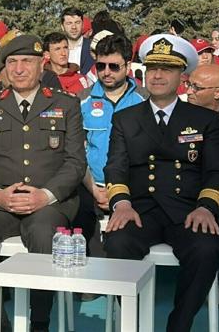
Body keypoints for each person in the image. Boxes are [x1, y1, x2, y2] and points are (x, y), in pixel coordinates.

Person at [0, 35, 86, 332]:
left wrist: (46, 195)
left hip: (48, 203)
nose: (19, 69)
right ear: (4, 68)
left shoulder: (66, 104)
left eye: (27, 61)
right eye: (12, 62)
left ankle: (39, 320)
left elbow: (75, 163)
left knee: (44, 233)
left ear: (42, 65)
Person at [104, 34, 219, 332]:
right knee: (117, 242)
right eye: (152, 68)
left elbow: (216, 171)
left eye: (167, 69)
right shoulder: (125, 119)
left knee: (206, 249)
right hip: (139, 210)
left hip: (188, 210)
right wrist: (121, 204)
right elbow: (115, 167)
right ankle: (134, 322)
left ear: (182, 77)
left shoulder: (204, 119)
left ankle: (179, 325)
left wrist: (206, 207)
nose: (157, 75)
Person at [75, 34, 148, 268]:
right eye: (100, 66)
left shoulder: (145, 99)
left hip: (135, 187)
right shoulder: (82, 100)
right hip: (91, 186)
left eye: (114, 66)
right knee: (76, 216)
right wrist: (95, 190)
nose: (106, 72)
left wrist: (120, 193)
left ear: (128, 65)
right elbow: (75, 151)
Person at [60, 7, 94, 75]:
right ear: (62, 27)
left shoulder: (93, 47)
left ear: (82, 25)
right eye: (69, 23)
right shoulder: (56, 50)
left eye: (77, 23)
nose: (74, 27)